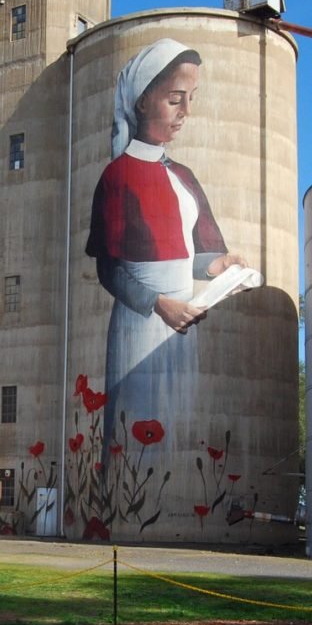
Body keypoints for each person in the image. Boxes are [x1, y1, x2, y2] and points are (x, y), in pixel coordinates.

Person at [85, 38, 248, 457]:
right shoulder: (118, 176)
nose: (185, 113)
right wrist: (159, 305)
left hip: (183, 322)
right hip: (141, 323)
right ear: (142, 102)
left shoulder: (184, 175)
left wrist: (219, 266)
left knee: (178, 432)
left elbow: (189, 255)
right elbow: (109, 268)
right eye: (175, 99)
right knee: (137, 431)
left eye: (191, 99)